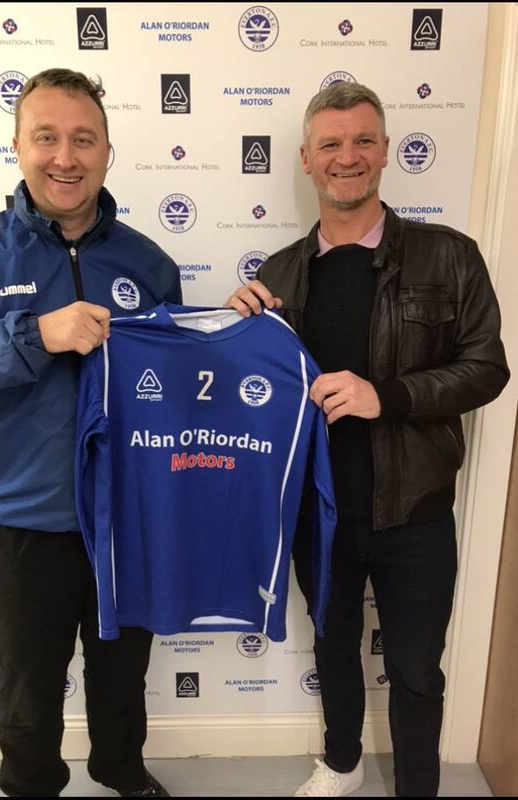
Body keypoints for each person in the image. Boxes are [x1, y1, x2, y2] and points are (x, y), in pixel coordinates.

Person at [226, 82, 509, 797]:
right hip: (318, 515)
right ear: (305, 159)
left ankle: (417, 785)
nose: (345, 157)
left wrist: (386, 396)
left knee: (416, 666)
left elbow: (486, 368)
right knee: (333, 645)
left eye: (361, 141)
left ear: (383, 151)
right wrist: (232, 334)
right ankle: (344, 763)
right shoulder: (278, 275)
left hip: (413, 510)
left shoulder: (449, 256)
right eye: (329, 144)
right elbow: (254, 402)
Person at [0, 68, 181, 797]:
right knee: (29, 691)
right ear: (16, 147)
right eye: (46, 138)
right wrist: (34, 334)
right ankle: (32, 784)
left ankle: (120, 770)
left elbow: (176, 384)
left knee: (122, 675)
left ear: (107, 152)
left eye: (82, 139)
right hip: (19, 526)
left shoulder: (148, 263)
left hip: (124, 521)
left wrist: (225, 333)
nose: (64, 157)